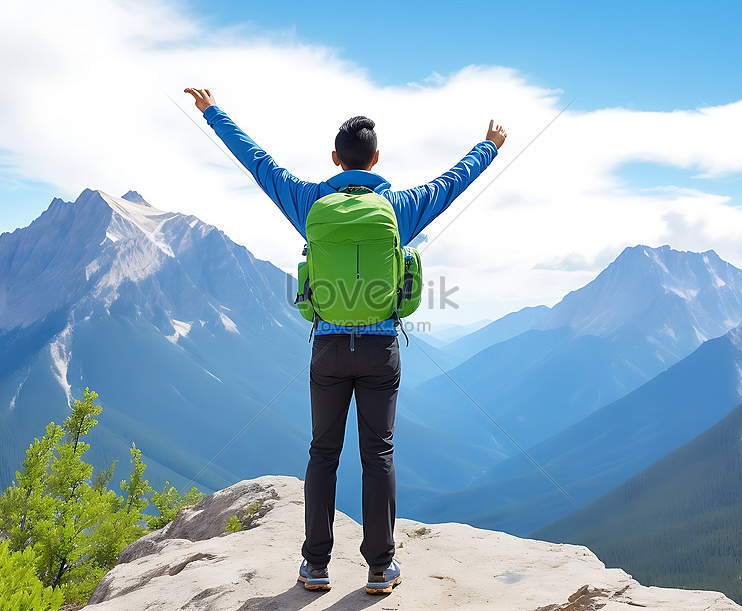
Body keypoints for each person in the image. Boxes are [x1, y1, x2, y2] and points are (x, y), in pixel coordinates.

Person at [184, 87, 506, 594]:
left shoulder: (311, 200)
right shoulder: (399, 207)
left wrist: (212, 112)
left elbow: (258, 162)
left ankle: (315, 567)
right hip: (381, 350)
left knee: (322, 453)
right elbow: (452, 183)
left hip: (329, 348)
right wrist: (489, 145)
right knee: (378, 454)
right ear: (376, 160)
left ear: (335, 160)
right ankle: (380, 567)